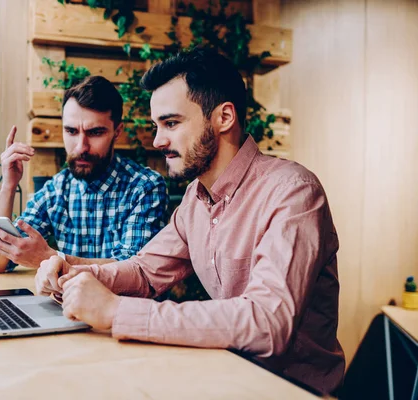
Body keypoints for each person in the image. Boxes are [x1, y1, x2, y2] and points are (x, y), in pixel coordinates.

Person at [35, 48, 345, 395]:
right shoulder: (195, 199)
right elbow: (144, 271)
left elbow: (267, 323)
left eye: (171, 123)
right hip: (225, 376)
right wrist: (76, 274)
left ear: (224, 117)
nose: (157, 140)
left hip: (290, 390)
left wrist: (117, 311)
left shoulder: (293, 193)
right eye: (157, 126)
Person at [0, 76, 169, 272]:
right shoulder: (56, 190)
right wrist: (9, 185)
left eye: (95, 132)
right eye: (71, 131)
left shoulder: (145, 188)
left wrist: (52, 258)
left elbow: (134, 270)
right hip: (67, 302)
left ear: (117, 131)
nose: (81, 147)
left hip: (123, 303)